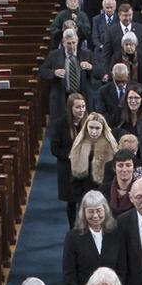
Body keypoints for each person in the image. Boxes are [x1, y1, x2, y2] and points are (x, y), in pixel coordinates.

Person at [62, 191, 129, 285]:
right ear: (83, 212)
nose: (95, 216)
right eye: (91, 211)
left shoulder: (116, 234)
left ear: (105, 210)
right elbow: (69, 274)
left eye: (98, 210)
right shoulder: (73, 236)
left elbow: (122, 269)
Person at [51, 91, 90, 226]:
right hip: (68, 169)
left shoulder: (90, 122)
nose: (81, 110)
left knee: (85, 200)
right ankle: (73, 229)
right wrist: (70, 155)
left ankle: (86, 227)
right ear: (70, 108)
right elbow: (54, 149)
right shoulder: (59, 124)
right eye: (78, 107)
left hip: (87, 169)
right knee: (72, 202)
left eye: (83, 106)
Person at [42, 27, 96, 122]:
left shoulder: (86, 54)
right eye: (68, 43)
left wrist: (90, 67)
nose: (72, 46)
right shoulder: (54, 55)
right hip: (62, 97)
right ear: (63, 42)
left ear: (77, 40)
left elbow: (100, 72)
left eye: (74, 43)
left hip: (82, 96)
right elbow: (42, 72)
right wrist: (54, 72)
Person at [69, 112, 118, 215]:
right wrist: (79, 197)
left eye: (97, 128)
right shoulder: (79, 144)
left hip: (105, 194)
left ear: (103, 129)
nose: (93, 131)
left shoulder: (111, 147)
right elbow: (74, 177)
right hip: (83, 193)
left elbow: (113, 176)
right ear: (86, 127)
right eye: (91, 127)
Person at [114, 85, 142, 159]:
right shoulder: (119, 115)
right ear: (126, 99)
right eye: (130, 98)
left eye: (136, 98)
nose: (133, 101)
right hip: (123, 158)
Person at [108, 148, 138, 215]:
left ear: (134, 168)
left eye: (128, 165)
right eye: (120, 165)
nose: (124, 169)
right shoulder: (104, 190)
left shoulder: (141, 190)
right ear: (114, 168)